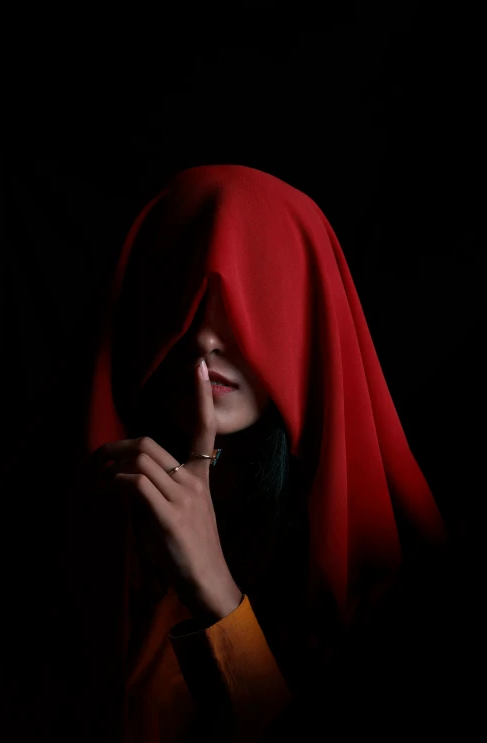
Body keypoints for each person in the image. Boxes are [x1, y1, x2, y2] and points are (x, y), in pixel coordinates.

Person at [60, 164, 447, 742]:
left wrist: (215, 592)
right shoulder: (78, 507)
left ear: (308, 316)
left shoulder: (382, 562)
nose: (206, 336)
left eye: (252, 294)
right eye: (183, 290)